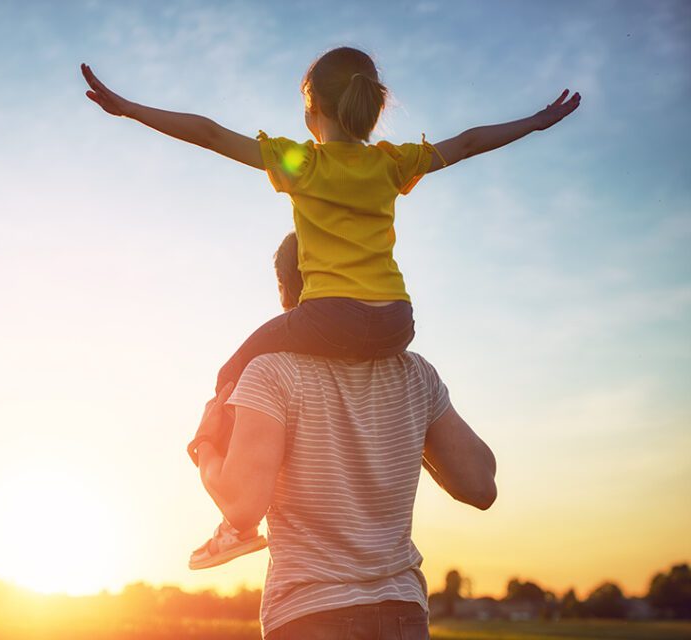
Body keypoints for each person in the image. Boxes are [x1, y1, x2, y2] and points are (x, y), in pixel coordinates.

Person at [81, 46, 577, 566]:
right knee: (304, 359)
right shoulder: (392, 162)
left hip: (329, 317)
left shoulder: (303, 162)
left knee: (233, 370)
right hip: (394, 322)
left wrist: (133, 109)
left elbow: (208, 133)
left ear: (312, 109)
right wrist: (538, 122)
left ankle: (235, 524)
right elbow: (471, 141)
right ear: (370, 106)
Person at [193, 231, 497, 639]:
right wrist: (408, 425)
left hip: (310, 615)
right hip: (403, 616)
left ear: (286, 290)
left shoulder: (270, 372)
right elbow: (480, 484)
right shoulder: (414, 374)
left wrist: (206, 447)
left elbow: (243, 507)